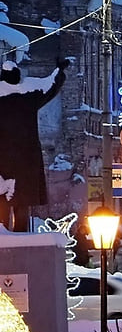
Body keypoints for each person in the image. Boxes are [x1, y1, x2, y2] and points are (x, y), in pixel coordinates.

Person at [0, 59, 67, 232]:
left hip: (3, 162)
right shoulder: (28, 94)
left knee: (2, 209)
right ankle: (20, 244)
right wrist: (59, 70)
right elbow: (50, 86)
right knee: (22, 206)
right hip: (26, 160)